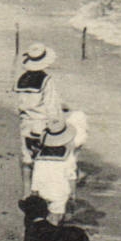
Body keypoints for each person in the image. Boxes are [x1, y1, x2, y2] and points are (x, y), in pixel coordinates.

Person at [13, 44, 62, 190]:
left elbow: (18, 104)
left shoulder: (21, 80)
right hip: (41, 124)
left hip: (25, 123)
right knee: (42, 160)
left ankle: (26, 192)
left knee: (26, 159)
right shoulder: (46, 80)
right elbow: (52, 107)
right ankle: (39, 191)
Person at [28, 116, 77, 224]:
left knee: (43, 219)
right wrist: (72, 196)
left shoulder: (39, 157)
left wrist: (34, 192)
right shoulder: (68, 157)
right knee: (55, 220)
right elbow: (71, 178)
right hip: (59, 193)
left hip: (43, 192)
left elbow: (36, 177)